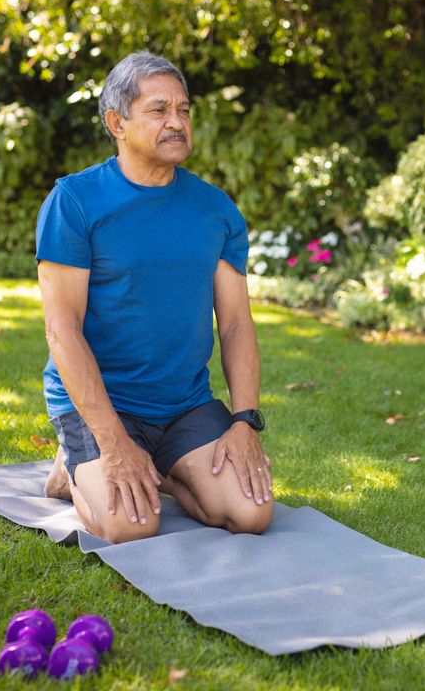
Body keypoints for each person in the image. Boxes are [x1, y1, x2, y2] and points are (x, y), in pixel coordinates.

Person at [36, 51, 273, 544]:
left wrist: (244, 422)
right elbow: (62, 330)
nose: (177, 122)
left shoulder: (215, 209)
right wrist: (112, 439)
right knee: (131, 526)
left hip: (184, 404)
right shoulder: (74, 201)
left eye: (184, 110)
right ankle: (72, 469)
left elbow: (234, 324)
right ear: (116, 122)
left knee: (251, 515)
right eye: (159, 110)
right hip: (103, 404)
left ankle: (162, 466)